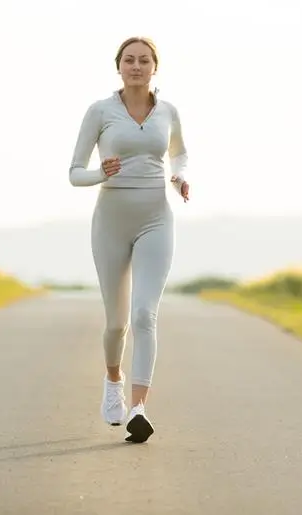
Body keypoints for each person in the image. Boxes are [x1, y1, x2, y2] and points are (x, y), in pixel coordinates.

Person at [68, 36, 189, 444]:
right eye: (129, 60)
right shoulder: (100, 111)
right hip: (111, 220)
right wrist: (101, 173)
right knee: (117, 323)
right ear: (118, 66)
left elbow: (180, 153)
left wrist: (180, 175)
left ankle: (139, 407)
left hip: (156, 218)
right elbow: (73, 172)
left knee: (144, 315)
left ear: (156, 67)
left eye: (144, 60)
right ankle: (113, 381)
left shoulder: (168, 112)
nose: (136, 66)